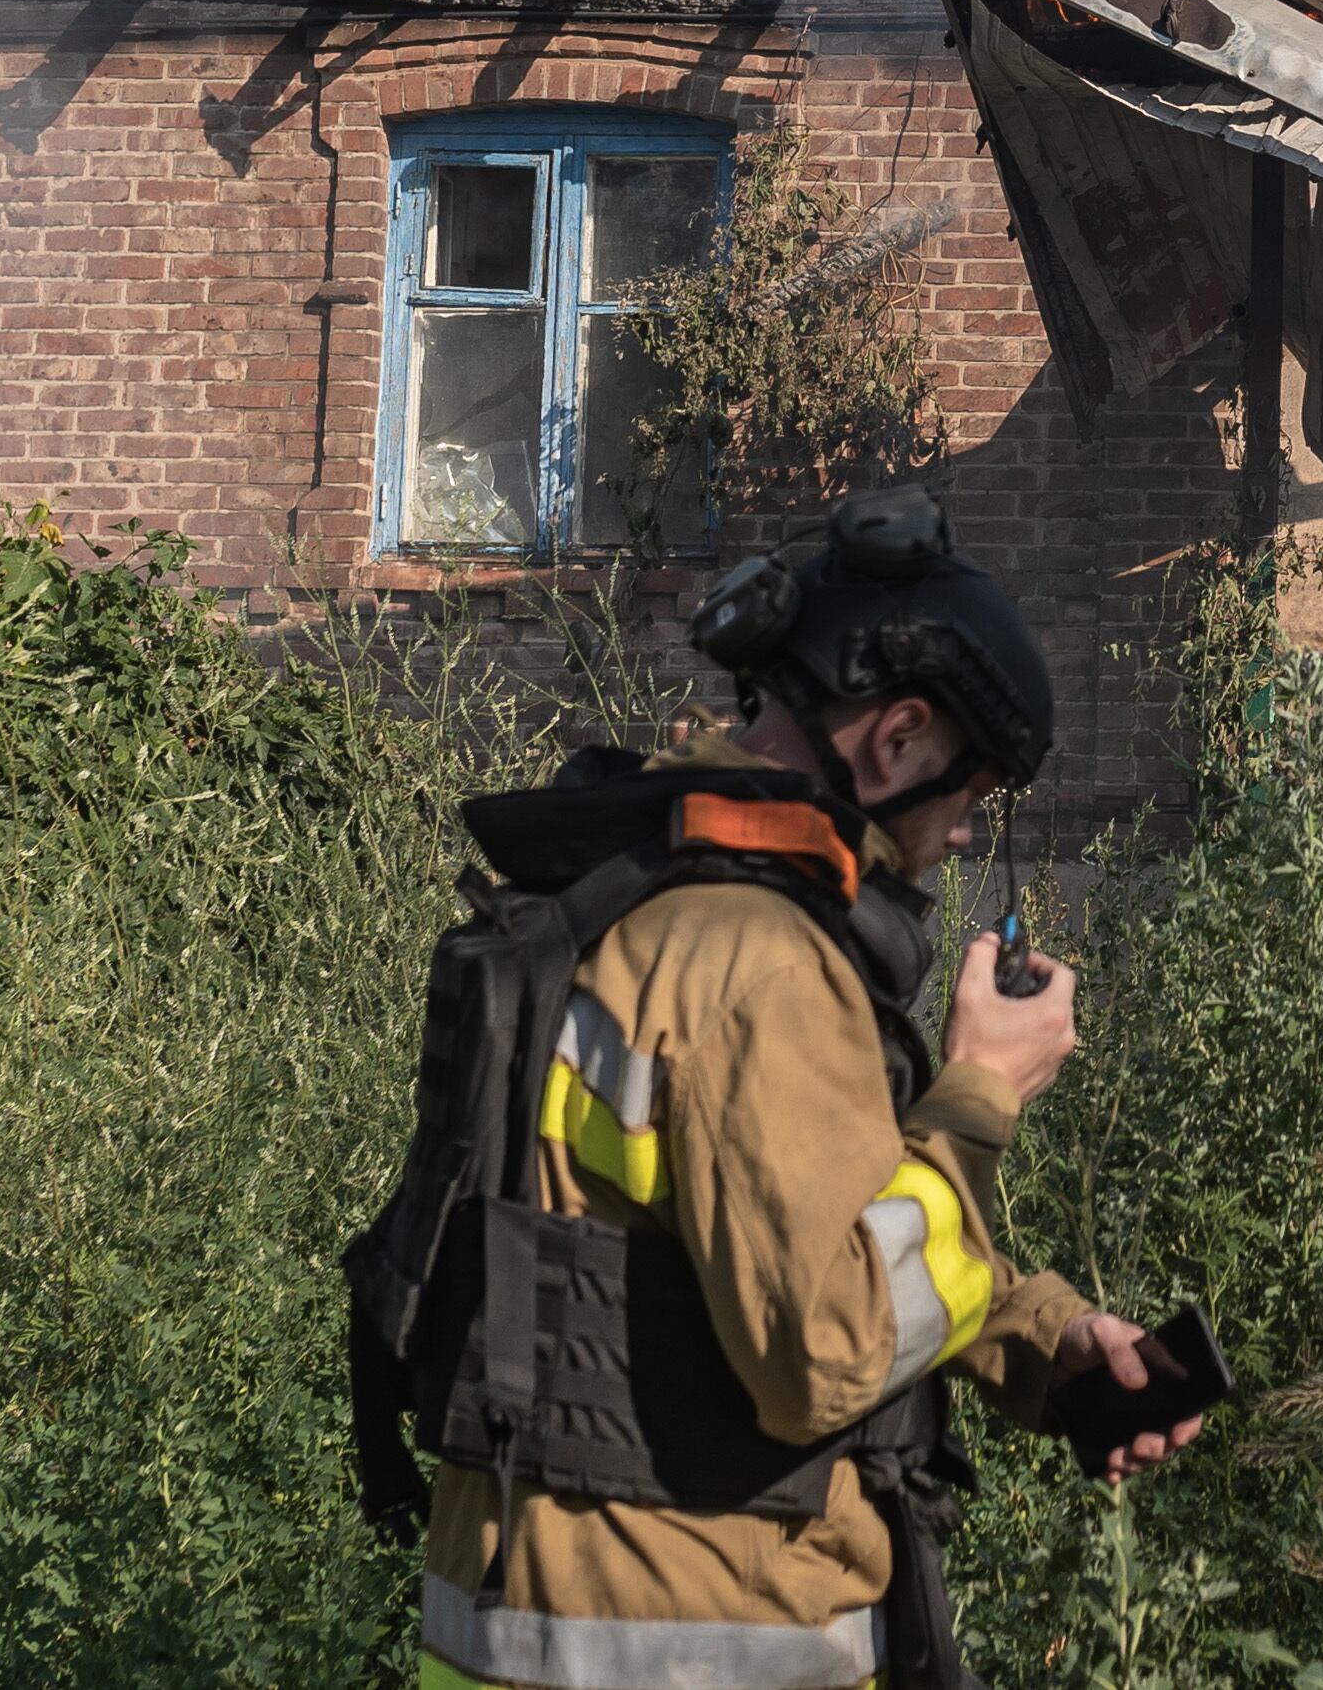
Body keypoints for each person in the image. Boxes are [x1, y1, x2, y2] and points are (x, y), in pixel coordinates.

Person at [411, 485, 1202, 1690]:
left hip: (541, 1611)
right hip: (699, 1636)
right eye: (967, 799)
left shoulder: (637, 892)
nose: (951, 840)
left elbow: (738, 1244)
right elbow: (824, 1347)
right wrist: (983, 1090)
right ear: (898, 741)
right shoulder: (764, 962)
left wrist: (1039, 1341)